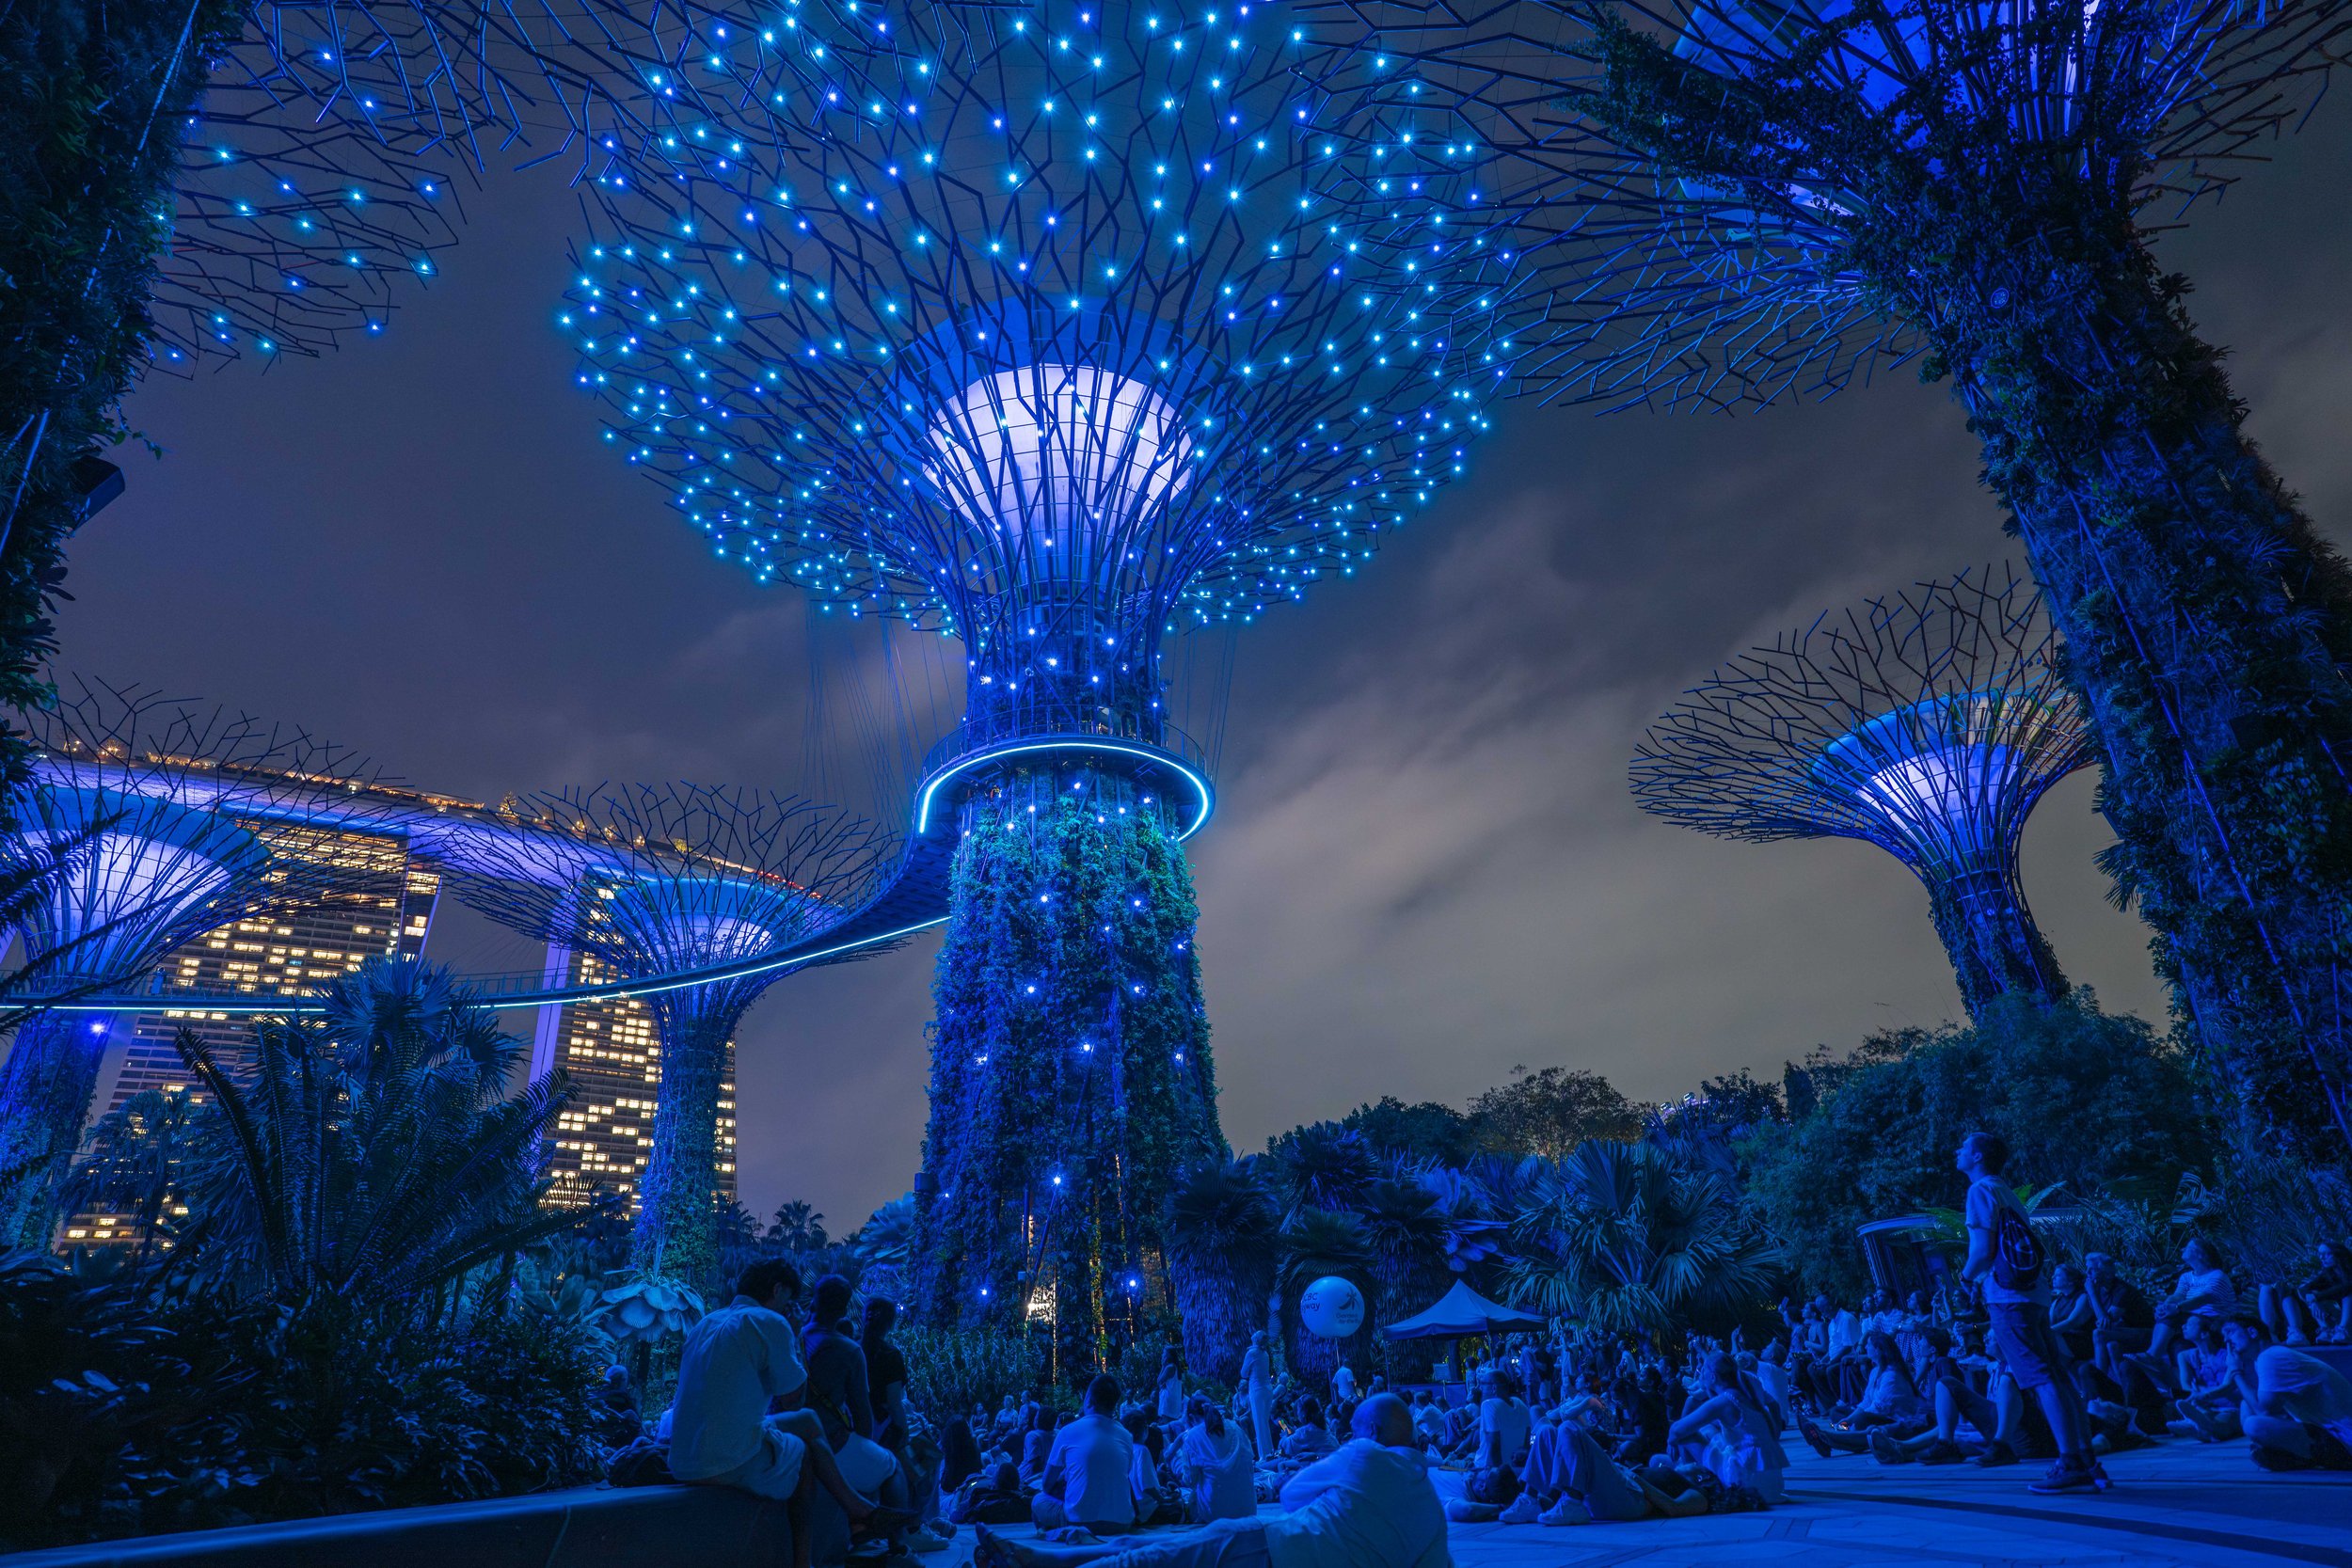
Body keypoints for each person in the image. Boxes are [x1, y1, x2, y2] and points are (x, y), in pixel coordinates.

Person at [975, 1395, 1447, 1568]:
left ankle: (1039, 1559)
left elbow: (1290, 1492)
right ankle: (1044, 1558)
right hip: (1271, 1540)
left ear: (1373, 1433)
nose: (1348, 1436)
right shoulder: (1428, 1502)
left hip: (1280, 1544)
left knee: (1155, 1558)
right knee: (1151, 1552)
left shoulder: (1366, 1454)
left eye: (1355, 1430)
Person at [667, 1259, 907, 1568]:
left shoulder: (706, 1323)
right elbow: (795, 1399)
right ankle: (806, 1559)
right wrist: (792, 1335)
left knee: (808, 1423)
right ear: (777, 1289)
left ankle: (856, 1510)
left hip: (682, 1458)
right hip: (725, 1458)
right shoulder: (771, 1322)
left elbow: (799, 1413)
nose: (790, 1308)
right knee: (804, 1453)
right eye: (788, 1300)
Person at [1958, 1131, 2104, 1494]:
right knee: (2056, 1374)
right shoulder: (2004, 1190)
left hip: (2008, 1298)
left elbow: (1981, 1251)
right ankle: (2086, 1456)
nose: (1957, 1152)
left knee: (2040, 1378)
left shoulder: (1979, 1191)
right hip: (2034, 1294)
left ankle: (2069, 1461)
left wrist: (1965, 1279)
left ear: (1977, 1157)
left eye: (1964, 1147)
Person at [2224, 1315, 2352, 1470]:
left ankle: (2303, 1457)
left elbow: (2263, 1410)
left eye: (2230, 1332)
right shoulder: (2266, 1358)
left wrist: (2236, 1372)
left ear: (2252, 1332)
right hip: (2326, 1431)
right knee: (2246, 1405)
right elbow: (2273, 1408)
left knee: (2254, 1425)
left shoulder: (2271, 1357)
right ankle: (2294, 1455)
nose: (2227, 1341)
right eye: (2224, 1337)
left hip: (2343, 1438)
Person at [1666, 1353, 1788, 1504]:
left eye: (1703, 1371)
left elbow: (1676, 1430)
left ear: (1713, 1377)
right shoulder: (1746, 1390)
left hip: (1746, 1483)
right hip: (1772, 1484)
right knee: (1709, 1431)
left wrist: (1671, 1441)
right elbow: (1774, 1405)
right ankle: (1696, 1476)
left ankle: (1696, 1487)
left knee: (1686, 1436)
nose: (1700, 1374)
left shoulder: (1724, 1402)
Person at [1035, 1375, 1138, 1531]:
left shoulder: (1067, 1431)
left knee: (1038, 1501)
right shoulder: (1126, 1435)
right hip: (1122, 1523)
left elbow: (1046, 1484)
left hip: (1080, 1522)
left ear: (1089, 1400)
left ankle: (1058, 1538)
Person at [1179, 1394, 1257, 1523]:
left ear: (1191, 1417)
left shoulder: (1192, 1437)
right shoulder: (1236, 1427)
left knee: (1191, 1498)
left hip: (1216, 1514)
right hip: (1248, 1510)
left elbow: (1190, 1481)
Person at [1477, 1369, 1532, 1469]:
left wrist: (1493, 1473)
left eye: (1483, 1383)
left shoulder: (1489, 1405)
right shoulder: (1521, 1405)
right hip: (1514, 1468)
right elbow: (1526, 1443)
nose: (1480, 1388)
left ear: (1494, 1388)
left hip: (1485, 1468)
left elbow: (1494, 1444)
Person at [1241, 1331, 1277, 1463]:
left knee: (1259, 1422)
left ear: (1255, 1340)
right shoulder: (1264, 1353)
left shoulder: (1252, 1353)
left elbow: (1243, 1373)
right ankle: (1270, 1451)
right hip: (1267, 1389)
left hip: (1257, 1390)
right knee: (1264, 1422)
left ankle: (1263, 1456)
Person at [1158, 1349, 1188, 1425]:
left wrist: (1163, 1366)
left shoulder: (1169, 1367)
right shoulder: (1176, 1367)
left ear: (1169, 1355)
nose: (1162, 1355)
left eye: (1164, 1353)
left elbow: (1159, 1381)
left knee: (1167, 1425)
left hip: (1168, 1400)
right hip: (1174, 1399)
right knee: (1173, 1425)